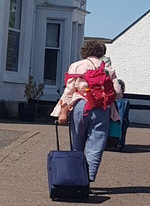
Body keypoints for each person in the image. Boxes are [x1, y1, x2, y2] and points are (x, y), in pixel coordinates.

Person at [50, 41, 124, 182]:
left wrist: (63, 112)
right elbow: (118, 92)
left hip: (80, 106)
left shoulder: (76, 66)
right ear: (101, 52)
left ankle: (77, 175)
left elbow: (69, 91)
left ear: (84, 52)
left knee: (77, 143)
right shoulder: (108, 68)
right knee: (96, 145)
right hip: (102, 109)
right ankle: (89, 177)